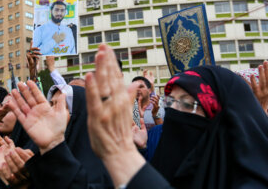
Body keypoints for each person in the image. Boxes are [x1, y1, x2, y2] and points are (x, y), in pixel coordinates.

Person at [84, 44, 268, 189]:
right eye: (170, 102)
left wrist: (120, 154)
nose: (174, 111)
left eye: (187, 103)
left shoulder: (254, 181)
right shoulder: (167, 163)